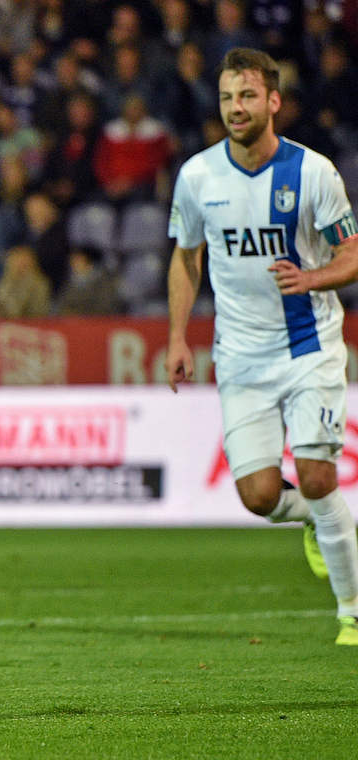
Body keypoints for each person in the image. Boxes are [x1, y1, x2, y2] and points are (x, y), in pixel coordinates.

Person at [165, 48, 358, 645]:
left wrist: (313, 278)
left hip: (309, 347)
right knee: (258, 496)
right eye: (227, 98)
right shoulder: (199, 176)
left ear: (273, 101)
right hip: (241, 356)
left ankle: (351, 609)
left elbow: (351, 253)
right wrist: (177, 334)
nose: (236, 108)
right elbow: (186, 257)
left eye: (247, 96)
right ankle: (313, 521)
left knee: (320, 474)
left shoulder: (314, 173)